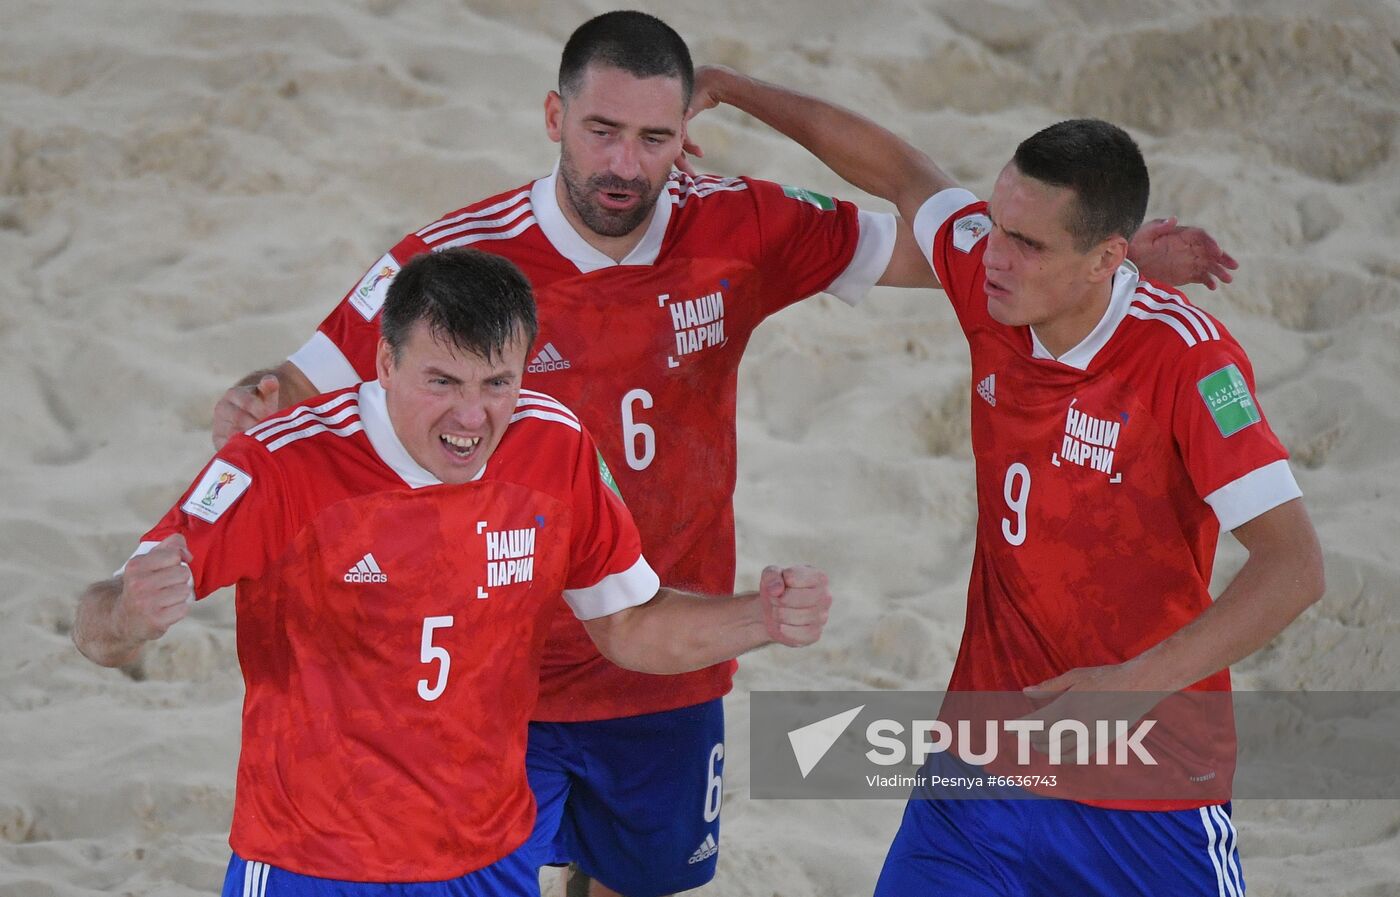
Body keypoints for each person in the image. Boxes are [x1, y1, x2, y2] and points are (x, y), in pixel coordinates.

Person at [208, 12, 1237, 897]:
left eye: (652, 137)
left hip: (666, 655)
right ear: (554, 118)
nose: (623, 163)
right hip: (493, 673)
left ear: (683, 138)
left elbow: (939, 250)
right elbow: (289, 400)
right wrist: (250, 401)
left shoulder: (739, 226)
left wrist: (1099, 273)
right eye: (601, 130)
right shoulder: (459, 263)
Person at [687, 67, 1326, 895]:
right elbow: (901, 172)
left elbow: (1295, 567)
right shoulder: (991, 286)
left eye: (1028, 245)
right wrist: (733, 88)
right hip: (978, 772)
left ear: (1106, 259)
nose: (994, 257)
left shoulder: (1188, 360)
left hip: (1146, 785)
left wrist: (1129, 687)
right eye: (996, 226)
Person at [71, 248, 832, 897]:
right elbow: (96, 625)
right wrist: (134, 612)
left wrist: (758, 618)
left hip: (486, 858)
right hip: (312, 860)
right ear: (383, 362)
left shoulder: (553, 448)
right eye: (442, 382)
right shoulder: (279, 465)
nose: (472, 418)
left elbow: (629, 624)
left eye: (496, 383)